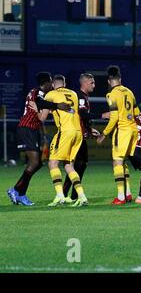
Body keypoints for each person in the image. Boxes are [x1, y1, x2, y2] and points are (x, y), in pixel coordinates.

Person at [6, 72, 70, 206]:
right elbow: (41, 103)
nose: (52, 85)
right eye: (50, 82)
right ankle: (17, 191)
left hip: (31, 129)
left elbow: (40, 112)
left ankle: (19, 193)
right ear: (46, 83)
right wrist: (58, 106)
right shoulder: (39, 92)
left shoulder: (35, 92)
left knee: (38, 163)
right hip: (27, 128)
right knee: (34, 162)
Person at [41, 75, 88, 207]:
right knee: (68, 165)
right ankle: (82, 196)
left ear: (53, 84)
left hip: (65, 131)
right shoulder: (73, 93)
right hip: (77, 132)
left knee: (52, 163)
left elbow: (42, 117)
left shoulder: (51, 94)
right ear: (65, 83)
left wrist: (36, 110)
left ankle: (60, 196)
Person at [62, 73, 109, 201]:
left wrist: (89, 129)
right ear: (84, 83)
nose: (94, 85)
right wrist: (102, 115)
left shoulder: (84, 97)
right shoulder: (80, 97)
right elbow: (82, 114)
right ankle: (69, 195)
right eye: (92, 82)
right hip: (77, 136)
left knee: (78, 165)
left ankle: (67, 194)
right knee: (79, 165)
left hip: (80, 134)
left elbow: (80, 117)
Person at [96, 65, 140, 205]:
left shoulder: (111, 94)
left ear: (109, 81)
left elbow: (114, 118)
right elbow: (137, 113)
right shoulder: (129, 92)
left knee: (117, 162)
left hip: (122, 131)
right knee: (123, 162)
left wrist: (104, 134)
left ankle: (120, 197)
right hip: (133, 129)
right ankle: (127, 194)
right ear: (120, 79)